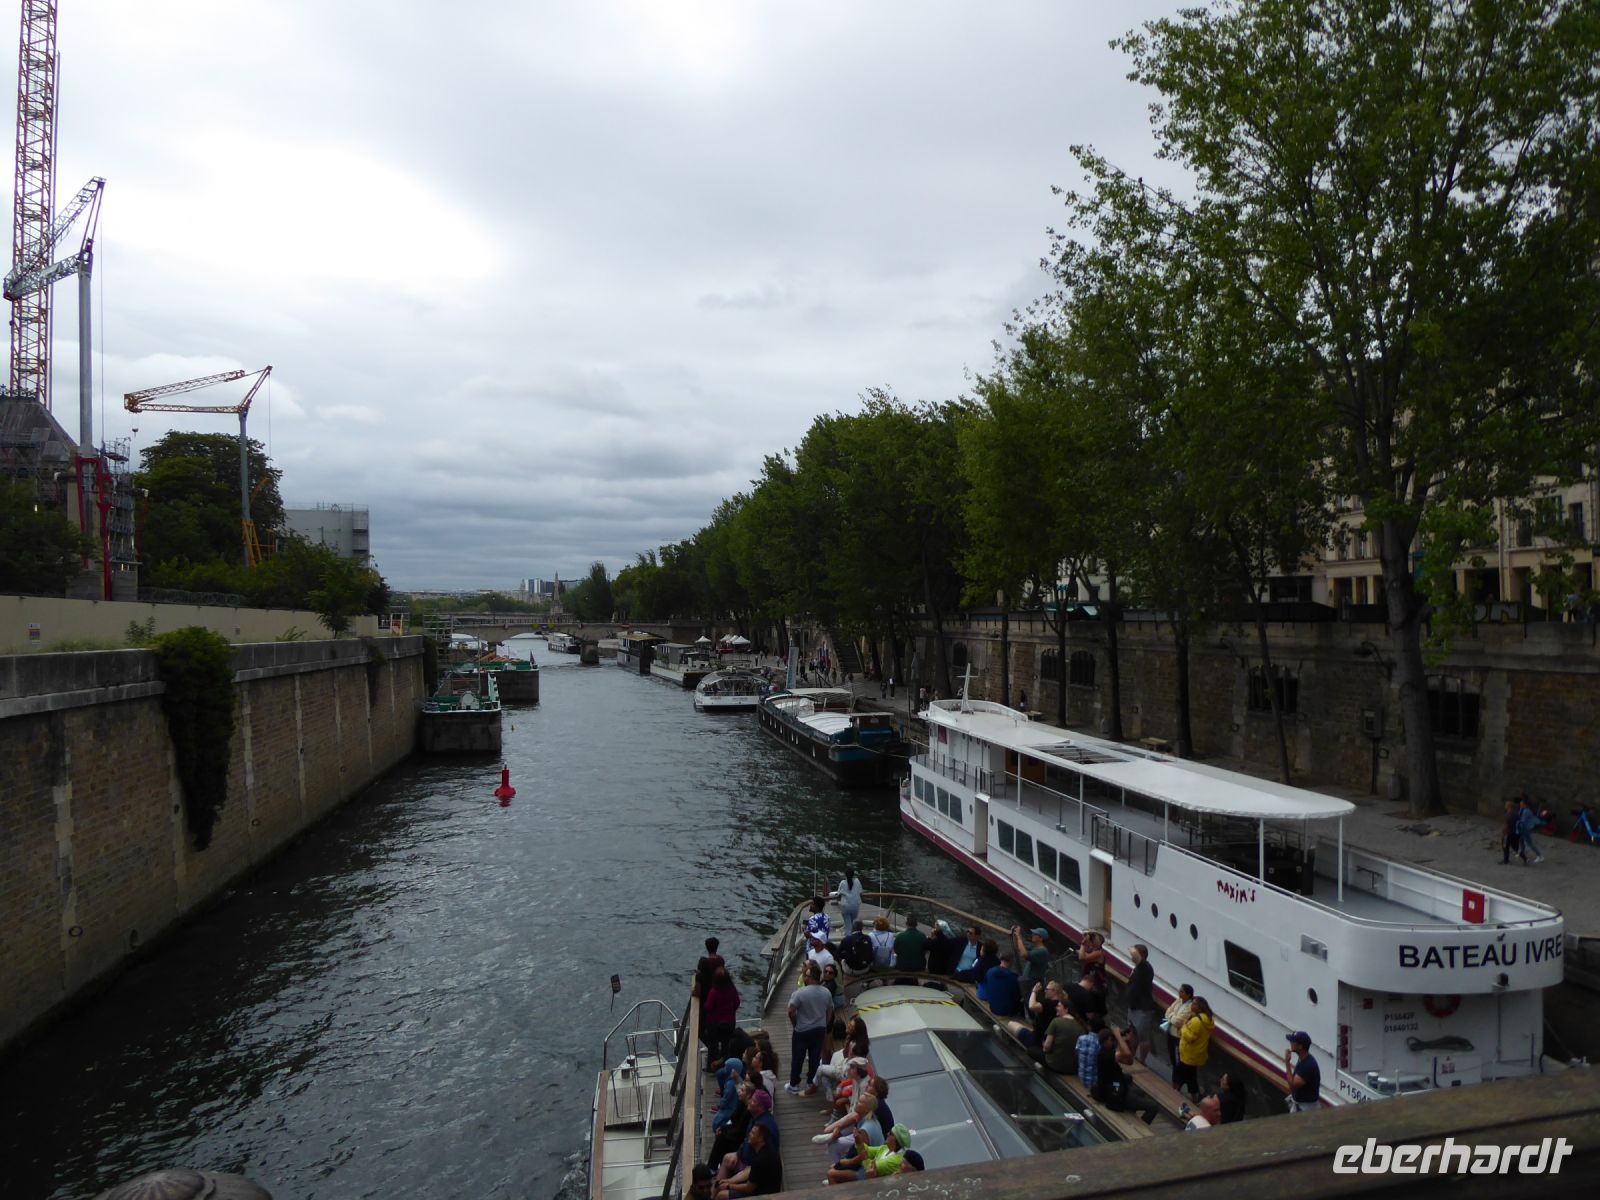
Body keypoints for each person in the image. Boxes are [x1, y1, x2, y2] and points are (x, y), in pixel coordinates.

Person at [785, 962, 832, 1095]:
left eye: (805, 975)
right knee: (815, 1056)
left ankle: (794, 1084)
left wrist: (795, 1024)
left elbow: (791, 1011)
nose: (804, 977)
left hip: (802, 1030)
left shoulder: (799, 993)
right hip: (819, 1029)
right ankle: (811, 1082)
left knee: (797, 1058)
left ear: (810, 977)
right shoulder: (826, 992)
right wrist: (824, 1024)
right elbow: (829, 1011)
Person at [1125, 944, 1158, 1064]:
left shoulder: (1146, 968)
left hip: (1143, 1008)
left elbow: (1135, 955)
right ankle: (1132, 1055)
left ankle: (1142, 1060)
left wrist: (1132, 949)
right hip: (1133, 1006)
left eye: (1134, 954)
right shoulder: (1136, 968)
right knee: (1132, 1032)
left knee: (1143, 1036)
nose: (1131, 956)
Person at [702, 966, 741, 1068]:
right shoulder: (732, 989)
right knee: (726, 1045)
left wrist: (704, 1005)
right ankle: (724, 1064)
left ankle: (711, 1067)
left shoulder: (714, 992)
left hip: (715, 1024)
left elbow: (709, 1007)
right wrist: (730, 1012)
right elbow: (737, 1002)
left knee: (713, 1046)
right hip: (729, 1023)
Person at [1176, 996, 1215, 1097]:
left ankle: (1194, 1094)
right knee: (1186, 1073)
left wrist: (1184, 1027)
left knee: (1189, 1075)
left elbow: (1190, 1038)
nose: (1192, 1005)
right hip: (1198, 1052)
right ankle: (1180, 1088)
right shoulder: (1208, 1019)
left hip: (1189, 1053)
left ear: (1200, 1007)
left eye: (1194, 1004)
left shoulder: (1196, 1021)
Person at [1043, 995, 1086, 1075]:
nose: (1056, 1007)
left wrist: (1044, 1046)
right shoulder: (1081, 1025)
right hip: (1074, 1068)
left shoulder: (1056, 1021)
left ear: (1066, 1009)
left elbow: (1047, 1047)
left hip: (1056, 1065)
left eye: (1059, 1006)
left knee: (1032, 1050)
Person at [1284, 1030, 1321, 1112]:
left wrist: (1287, 1063)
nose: (1290, 1042)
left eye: (1293, 1041)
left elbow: (1292, 1086)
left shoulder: (1308, 1066)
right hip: (1303, 1105)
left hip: (1306, 1109)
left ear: (1300, 1046)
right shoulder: (1303, 1059)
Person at [983, 950, 1023, 1018]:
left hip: (993, 1007)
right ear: (1011, 961)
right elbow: (1017, 997)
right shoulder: (1013, 977)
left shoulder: (989, 971)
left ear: (1000, 959)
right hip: (1006, 1011)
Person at [1164, 984, 1195, 1070]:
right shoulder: (1178, 1001)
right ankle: (1174, 1066)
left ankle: (1177, 1070)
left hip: (1178, 1035)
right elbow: (1167, 1012)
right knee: (1171, 1052)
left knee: (1179, 1055)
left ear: (1188, 995)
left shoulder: (1190, 1006)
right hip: (1170, 1031)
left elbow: (1178, 1021)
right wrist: (1173, 1016)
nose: (1179, 992)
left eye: (1182, 991)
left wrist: (1172, 1016)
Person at [1518, 796, 1546, 864]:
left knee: (1530, 843)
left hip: (1525, 829)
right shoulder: (1523, 810)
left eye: (1521, 804)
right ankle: (1521, 852)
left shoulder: (1526, 811)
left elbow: (1523, 821)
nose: (1520, 804)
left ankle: (1540, 856)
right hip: (1524, 828)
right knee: (1521, 841)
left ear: (1525, 804)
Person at [835, 867, 864, 932]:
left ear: (845, 875)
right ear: (853, 874)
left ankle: (849, 938)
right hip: (855, 906)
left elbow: (838, 893)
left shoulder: (842, 882)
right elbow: (861, 892)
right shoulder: (857, 881)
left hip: (845, 906)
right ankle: (854, 938)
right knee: (854, 925)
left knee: (848, 926)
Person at [1501, 798, 1525, 865]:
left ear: (1508, 806)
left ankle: (1506, 860)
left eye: (1506, 805)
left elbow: (1506, 826)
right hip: (1516, 833)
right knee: (1515, 847)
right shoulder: (1516, 814)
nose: (1505, 806)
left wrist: (1503, 834)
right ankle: (1524, 858)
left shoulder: (1507, 815)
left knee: (1506, 847)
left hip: (1509, 833)